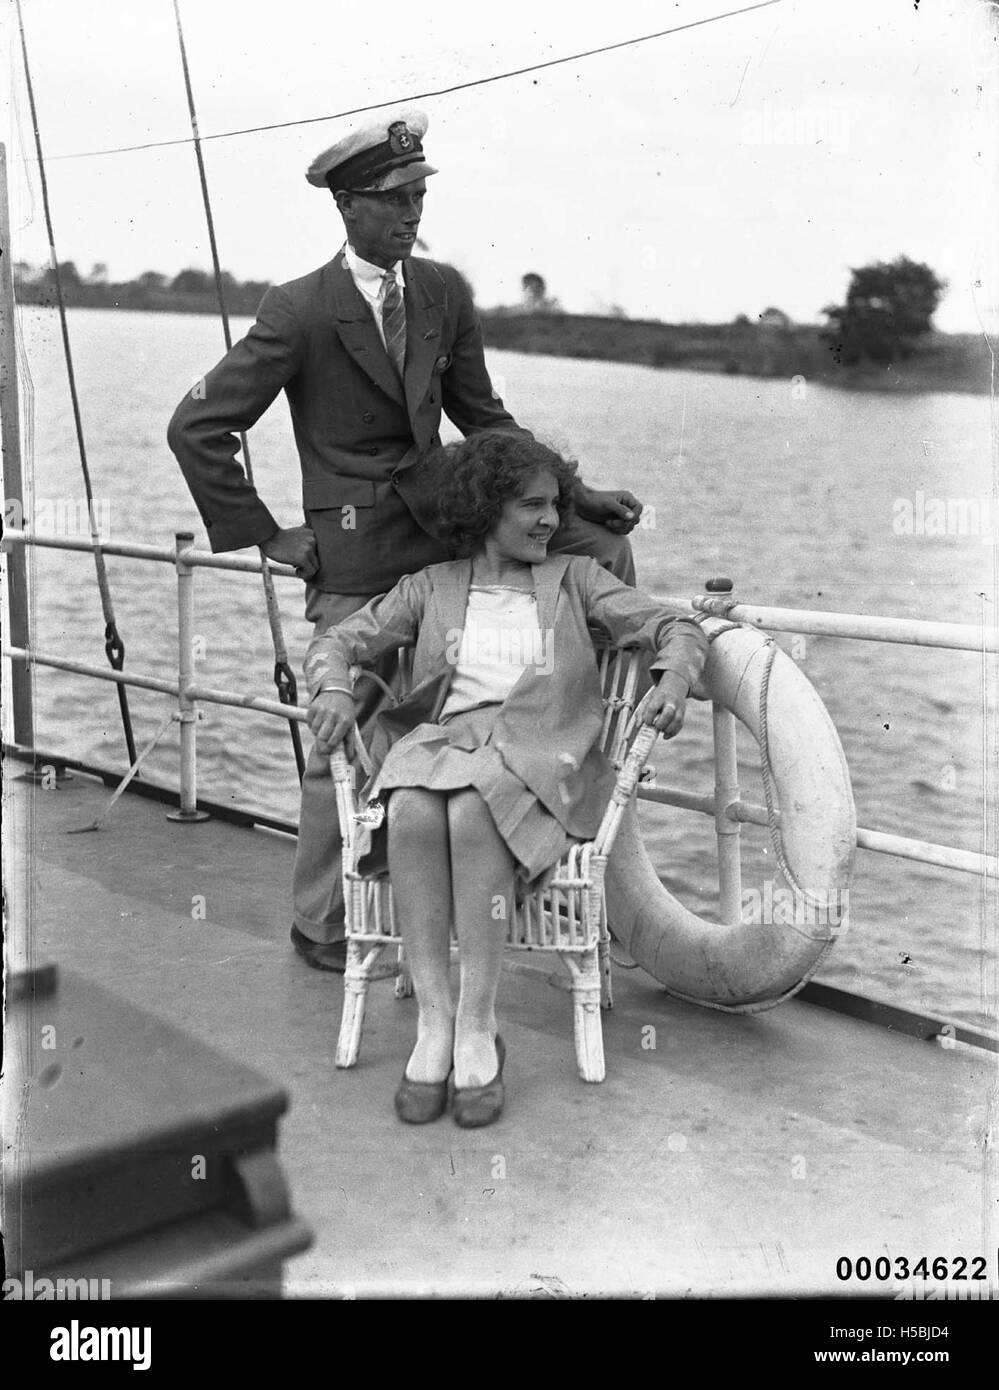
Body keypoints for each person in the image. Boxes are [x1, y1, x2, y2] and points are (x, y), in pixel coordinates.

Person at [167, 108, 646, 973]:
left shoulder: (441, 293)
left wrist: (576, 493)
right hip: (351, 554)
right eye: (394, 200)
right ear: (348, 206)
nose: (412, 213)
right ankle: (321, 922)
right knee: (342, 736)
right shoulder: (300, 309)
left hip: (436, 539)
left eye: (419, 195)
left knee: (590, 560)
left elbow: (483, 419)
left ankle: (570, 787)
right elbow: (198, 426)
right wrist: (267, 534)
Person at [305, 432, 708, 1126]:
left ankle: (476, 1023)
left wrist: (672, 678)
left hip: (539, 751)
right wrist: (334, 690)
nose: (550, 520)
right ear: (485, 508)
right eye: (532, 506)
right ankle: (434, 1025)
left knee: (468, 809)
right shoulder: (430, 587)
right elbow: (338, 640)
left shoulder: (575, 581)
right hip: (444, 743)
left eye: (554, 505)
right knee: (410, 811)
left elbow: (673, 623)